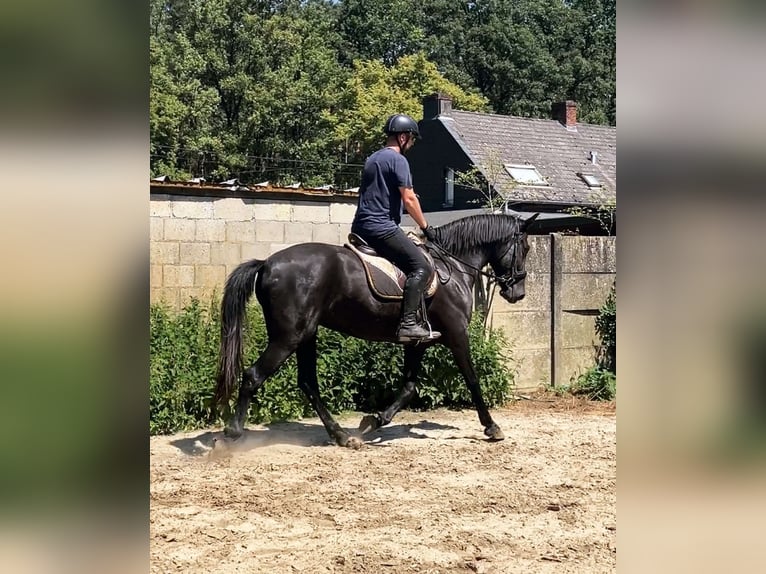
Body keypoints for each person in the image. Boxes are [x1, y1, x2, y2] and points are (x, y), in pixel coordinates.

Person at [351, 113, 441, 342]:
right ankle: (409, 323)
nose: (411, 144)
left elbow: (381, 193)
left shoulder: (373, 158)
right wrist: (426, 227)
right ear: (403, 137)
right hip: (381, 227)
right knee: (421, 266)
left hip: (360, 227)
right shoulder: (398, 160)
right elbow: (409, 199)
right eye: (411, 139)